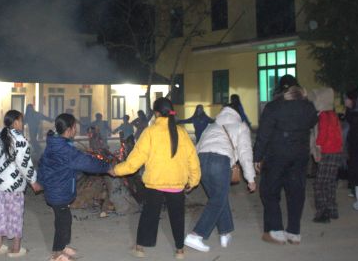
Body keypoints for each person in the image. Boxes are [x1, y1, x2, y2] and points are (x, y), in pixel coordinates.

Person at [113, 97, 201, 260]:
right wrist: (193, 180)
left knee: (149, 215)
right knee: (177, 217)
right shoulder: (181, 132)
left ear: (156, 113)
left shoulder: (150, 132)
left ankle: (140, 248)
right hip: (177, 183)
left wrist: (117, 170)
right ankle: (180, 251)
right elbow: (193, 159)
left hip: (155, 183)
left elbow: (135, 160)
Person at [38, 113, 113, 261]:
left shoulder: (55, 143)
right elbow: (86, 162)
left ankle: (63, 246)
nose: (76, 129)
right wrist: (107, 167)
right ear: (69, 129)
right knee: (62, 222)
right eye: (74, 127)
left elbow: (43, 164)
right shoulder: (64, 149)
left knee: (66, 220)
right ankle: (57, 254)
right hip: (58, 191)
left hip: (58, 188)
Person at [253, 75, 317, 245]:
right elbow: (313, 123)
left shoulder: (273, 107)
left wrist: (257, 157)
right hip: (300, 157)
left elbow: (263, 134)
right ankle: (294, 232)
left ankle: (275, 231)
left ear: (279, 90)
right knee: (296, 193)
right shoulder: (308, 106)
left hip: (276, 156)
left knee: (270, 191)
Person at [184, 104, 256, 253]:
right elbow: (245, 153)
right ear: (237, 113)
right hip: (220, 161)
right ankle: (196, 235)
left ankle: (225, 233)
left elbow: (197, 147)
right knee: (218, 199)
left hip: (202, 160)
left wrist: (192, 175)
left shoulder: (211, 126)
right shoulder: (240, 126)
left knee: (218, 197)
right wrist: (250, 178)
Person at [0, 110, 40, 257]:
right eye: (21, 120)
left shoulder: (0, 136)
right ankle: (15, 249)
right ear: (15, 122)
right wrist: (33, 181)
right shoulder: (21, 140)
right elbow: (24, 164)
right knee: (15, 216)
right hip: (14, 187)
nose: (23, 123)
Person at [309, 88, 343, 223]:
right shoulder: (333, 114)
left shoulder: (323, 115)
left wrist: (317, 146)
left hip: (327, 152)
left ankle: (323, 213)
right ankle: (332, 209)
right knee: (330, 183)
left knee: (320, 184)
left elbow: (322, 133)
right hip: (336, 151)